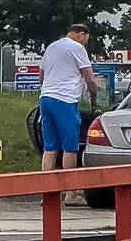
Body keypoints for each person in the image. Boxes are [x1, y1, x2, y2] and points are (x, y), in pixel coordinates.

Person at [39, 24, 99, 207]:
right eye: (86, 39)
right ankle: (71, 193)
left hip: (46, 98)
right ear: (81, 35)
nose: (86, 43)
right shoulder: (77, 48)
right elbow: (89, 77)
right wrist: (94, 98)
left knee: (50, 147)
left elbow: (41, 76)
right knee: (70, 147)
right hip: (65, 100)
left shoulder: (52, 47)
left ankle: (47, 194)